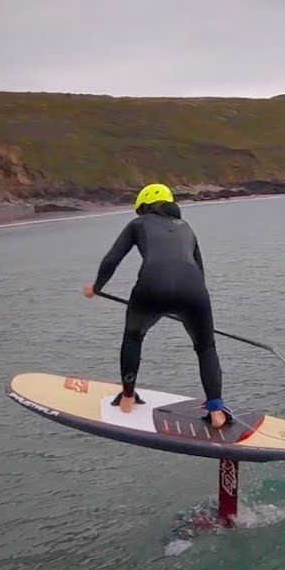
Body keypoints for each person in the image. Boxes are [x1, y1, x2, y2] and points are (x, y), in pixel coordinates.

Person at [82, 183, 231, 429]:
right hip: (194, 291)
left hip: (152, 288)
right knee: (206, 347)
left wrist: (96, 288)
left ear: (145, 205)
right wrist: (188, 309)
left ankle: (128, 397)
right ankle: (216, 410)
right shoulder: (187, 228)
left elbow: (112, 258)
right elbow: (199, 270)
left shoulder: (138, 225)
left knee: (133, 337)